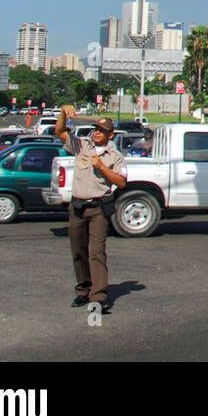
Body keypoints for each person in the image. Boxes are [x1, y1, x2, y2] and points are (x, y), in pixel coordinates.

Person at [55, 105, 127, 314]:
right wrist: (62, 114)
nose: (96, 133)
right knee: (78, 251)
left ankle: (98, 296)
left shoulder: (115, 156)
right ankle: (83, 290)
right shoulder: (81, 146)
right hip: (77, 206)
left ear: (110, 135)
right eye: (95, 129)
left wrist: (102, 167)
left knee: (97, 252)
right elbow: (60, 132)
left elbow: (121, 182)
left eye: (101, 131)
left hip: (98, 208)